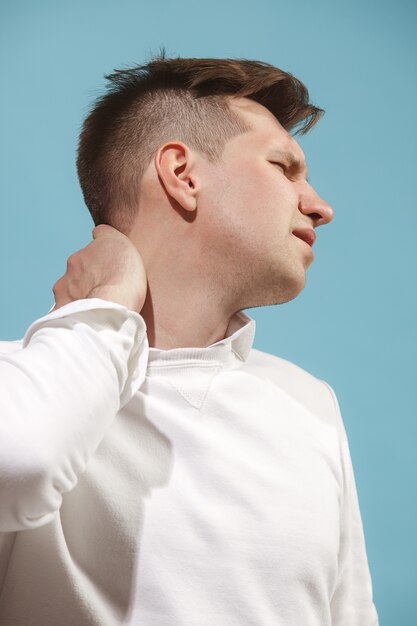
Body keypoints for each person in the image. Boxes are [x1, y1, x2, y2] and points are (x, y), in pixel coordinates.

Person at [0, 51, 379, 625]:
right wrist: (106, 303)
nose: (320, 206)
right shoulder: (24, 391)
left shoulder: (310, 404)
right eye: (284, 167)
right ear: (182, 174)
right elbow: (20, 463)